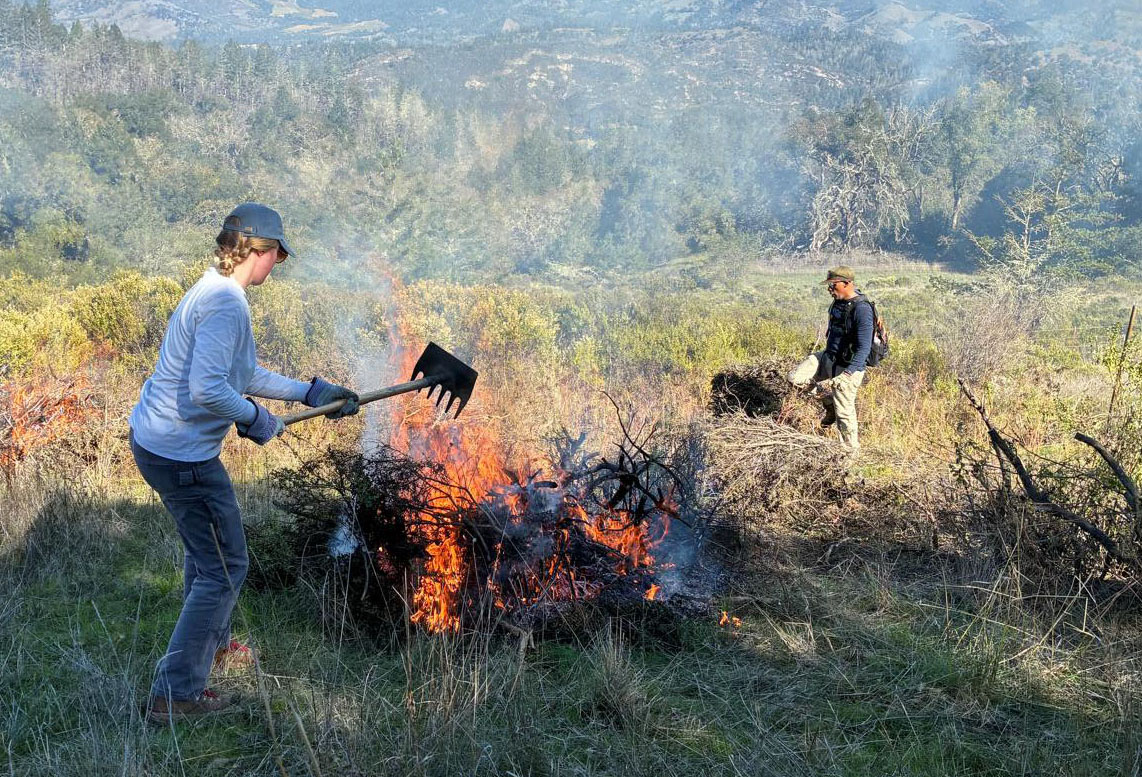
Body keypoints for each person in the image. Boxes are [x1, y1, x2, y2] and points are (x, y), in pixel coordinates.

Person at [130, 202, 359, 723]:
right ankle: (175, 694)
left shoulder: (213, 288)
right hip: (181, 454)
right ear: (260, 250)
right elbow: (209, 389)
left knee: (205, 556)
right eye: (277, 254)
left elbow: (241, 371)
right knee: (225, 567)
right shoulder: (227, 303)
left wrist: (308, 391)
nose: (277, 265)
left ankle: (211, 644)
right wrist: (256, 418)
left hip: (161, 442)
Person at [788, 265, 873, 451]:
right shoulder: (838, 302)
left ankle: (851, 454)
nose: (829, 289)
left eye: (833, 285)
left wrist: (848, 374)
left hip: (848, 367)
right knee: (795, 378)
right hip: (828, 357)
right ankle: (829, 404)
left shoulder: (862, 309)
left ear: (847, 283)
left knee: (845, 414)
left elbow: (864, 347)